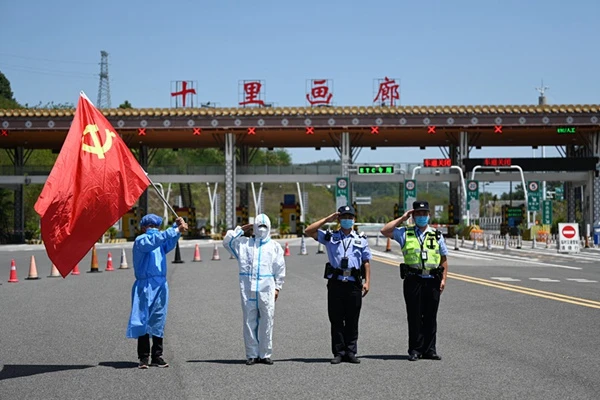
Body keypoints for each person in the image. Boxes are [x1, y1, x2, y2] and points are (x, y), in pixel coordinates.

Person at [380, 200, 448, 361]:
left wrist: (444, 279)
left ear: (429, 215)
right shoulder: (406, 232)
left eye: (424, 214)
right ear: (413, 215)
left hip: (432, 278)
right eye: (418, 214)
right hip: (413, 279)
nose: (421, 216)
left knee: (431, 316)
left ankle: (430, 349)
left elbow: (443, 258)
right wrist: (403, 218)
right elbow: (385, 230)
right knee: (414, 315)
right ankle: (415, 349)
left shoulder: (437, 234)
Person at [305, 205, 371, 364]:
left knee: (352, 319)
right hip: (336, 283)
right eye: (344, 217)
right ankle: (339, 352)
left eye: (350, 217)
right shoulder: (330, 236)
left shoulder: (361, 239)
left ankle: (351, 351)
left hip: (354, 283)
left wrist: (367, 281)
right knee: (336, 319)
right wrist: (328, 219)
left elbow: (366, 262)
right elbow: (308, 231)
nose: (347, 220)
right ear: (339, 219)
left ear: (354, 220)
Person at [126, 213, 188, 369]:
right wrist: (174, 230)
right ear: (144, 228)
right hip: (144, 285)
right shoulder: (142, 241)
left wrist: (176, 229)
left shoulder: (159, 241)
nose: (154, 230)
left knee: (159, 318)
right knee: (142, 319)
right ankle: (143, 357)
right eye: (151, 227)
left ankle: (157, 356)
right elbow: (154, 240)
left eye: (156, 227)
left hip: (160, 284)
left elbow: (168, 241)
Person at [223, 213, 286, 366]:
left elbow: (280, 268)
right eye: (259, 226)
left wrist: (278, 287)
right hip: (248, 289)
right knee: (249, 321)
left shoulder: (274, 246)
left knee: (267, 321)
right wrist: (242, 228)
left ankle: (265, 354)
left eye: (265, 226)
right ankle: (252, 354)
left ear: (269, 227)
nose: (262, 229)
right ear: (254, 227)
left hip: (267, 289)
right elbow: (227, 241)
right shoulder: (244, 244)